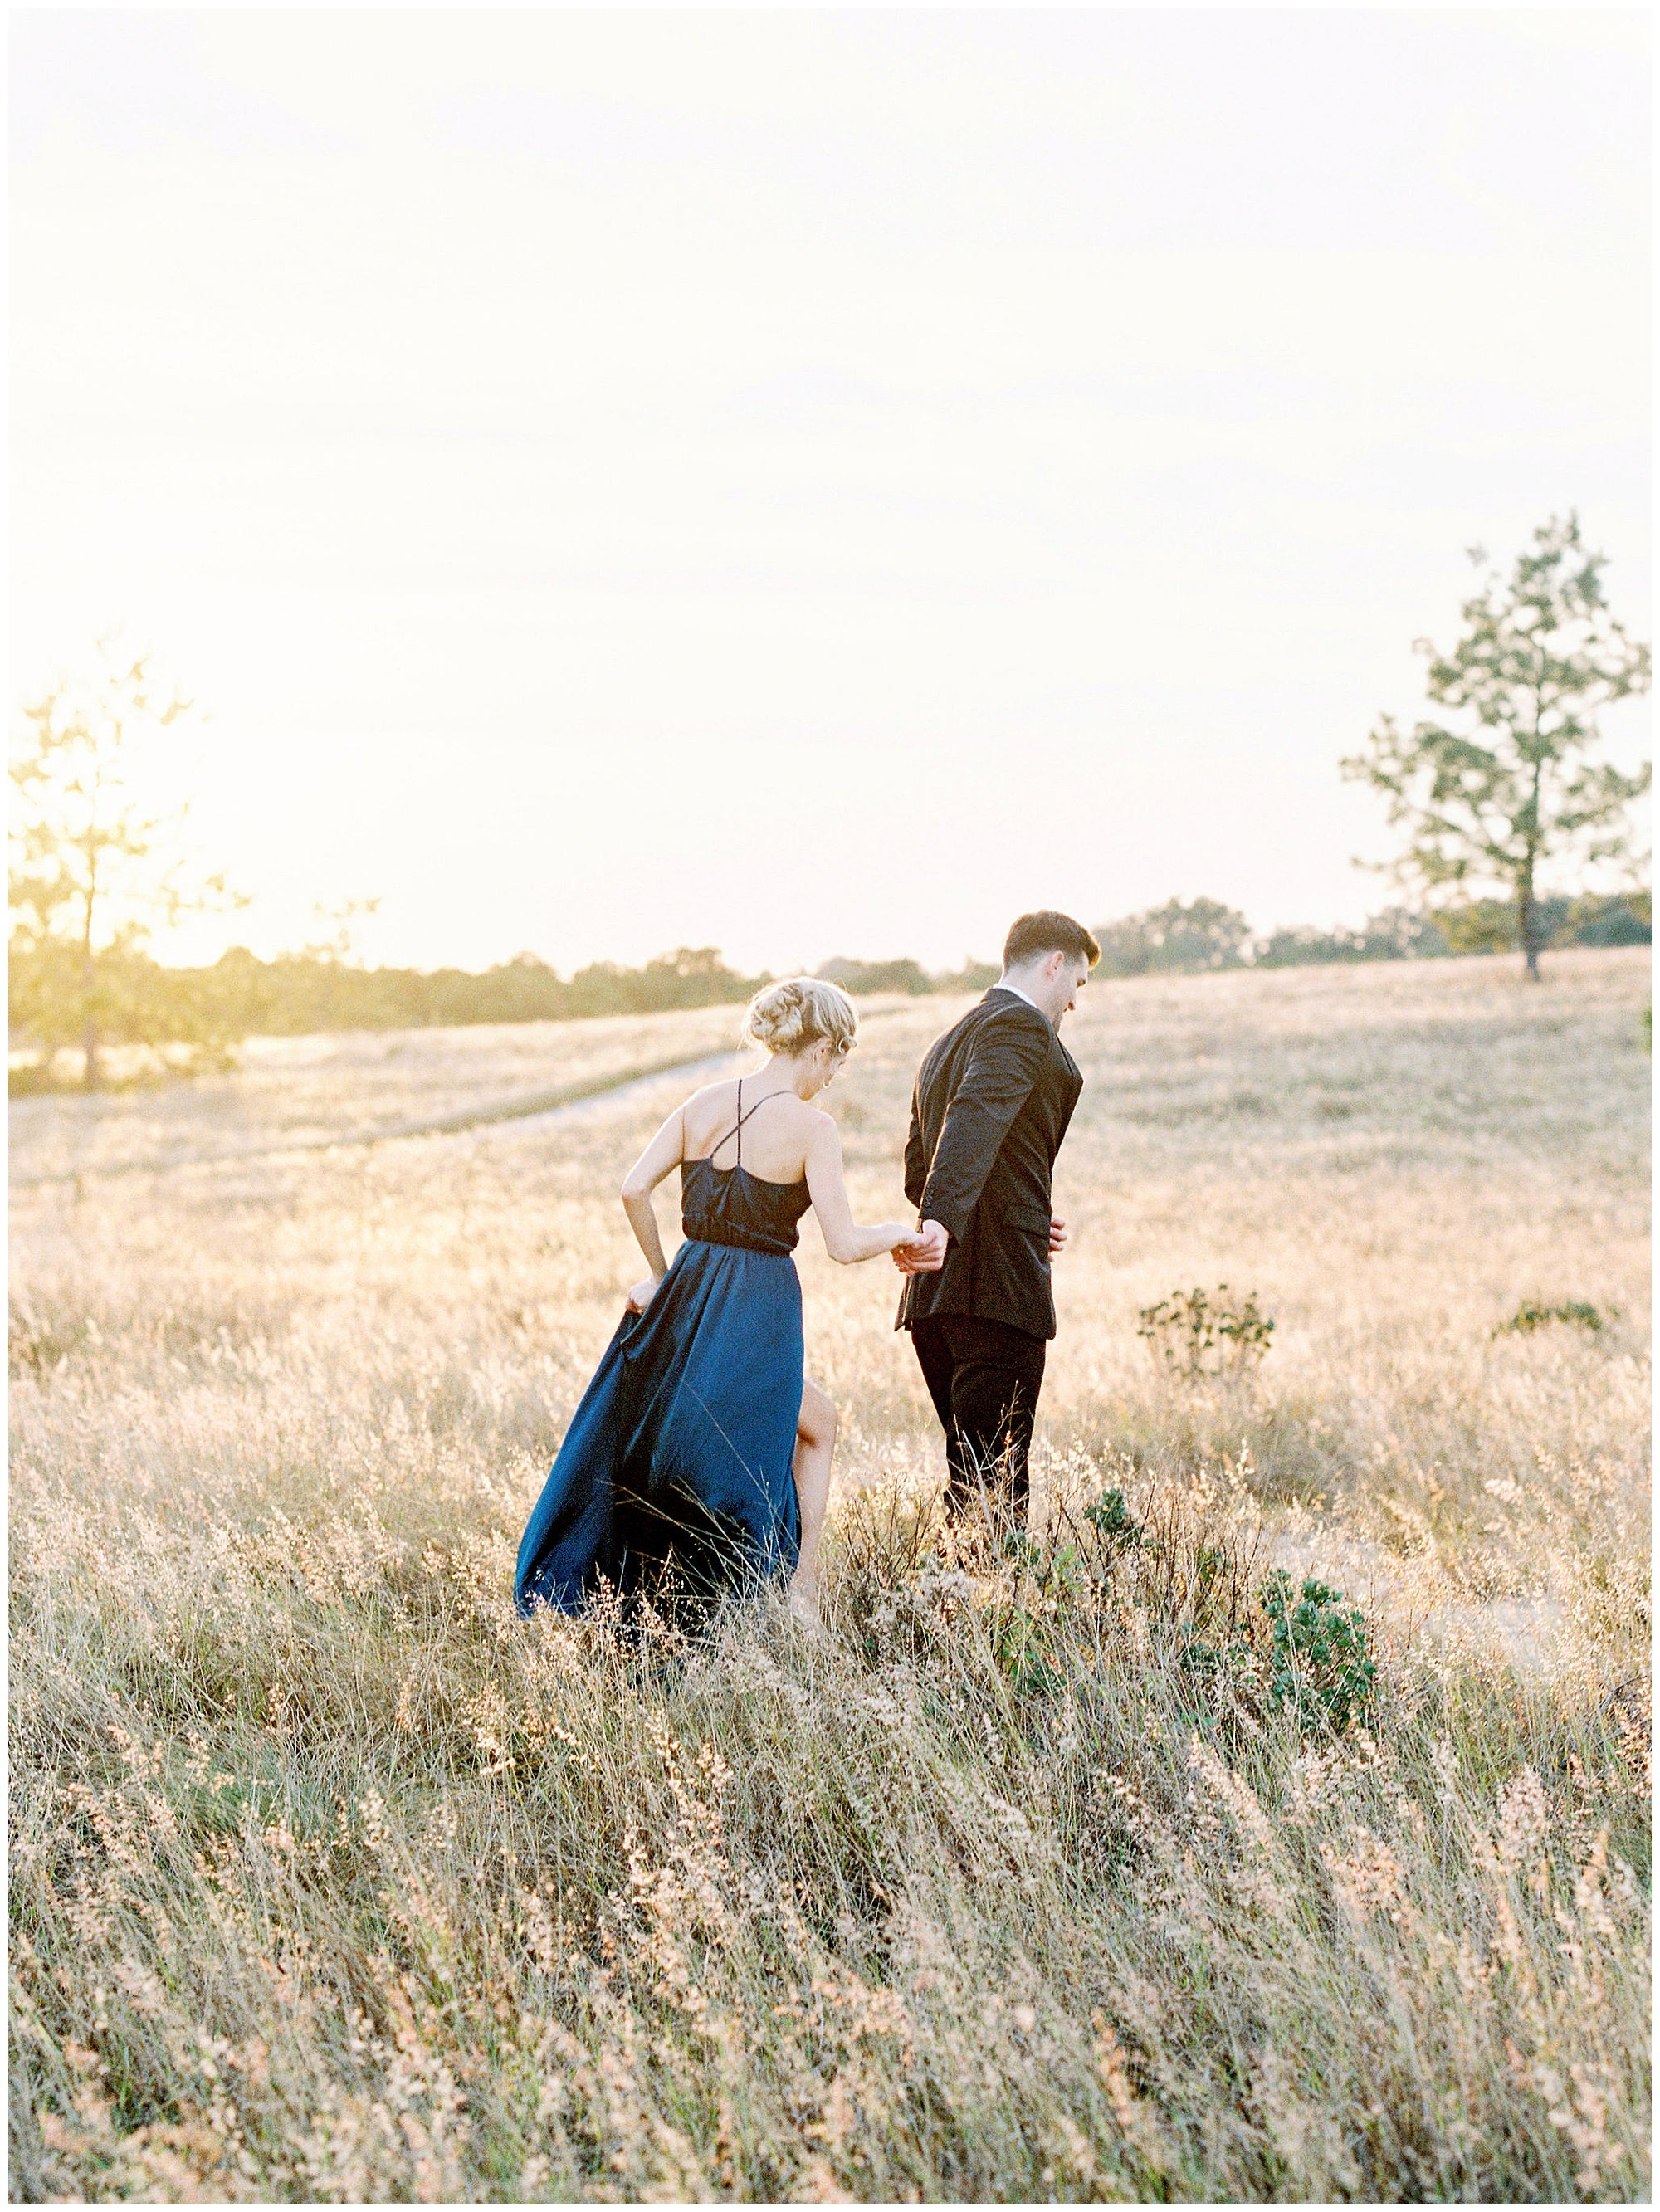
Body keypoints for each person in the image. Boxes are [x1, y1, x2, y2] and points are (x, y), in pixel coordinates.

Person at [515, 976, 940, 1624]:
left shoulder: (703, 1102)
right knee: (811, 1430)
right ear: (820, 1047)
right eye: (839, 1057)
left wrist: (662, 1277)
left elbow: (634, 1189)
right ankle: (799, 1597)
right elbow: (845, 1243)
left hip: (688, 1294)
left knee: (726, 1434)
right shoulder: (812, 1128)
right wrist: (903, 1235)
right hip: (756, 1307)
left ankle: (752, 1593)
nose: (835, 1074)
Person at [893, 911, 1100, 1522]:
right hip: (995, 1292)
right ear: (1053, 963)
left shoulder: (946, 1042)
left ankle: (947, 1609)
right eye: (1078, 984)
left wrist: (1026, 1210)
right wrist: (941, 1222)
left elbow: (918, 1167)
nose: (1074, 1003)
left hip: (936, 1300)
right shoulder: (1021, 1028)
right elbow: (973, 1121)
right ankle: (981, 1613)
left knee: (973, 1481)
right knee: (994, 1489)